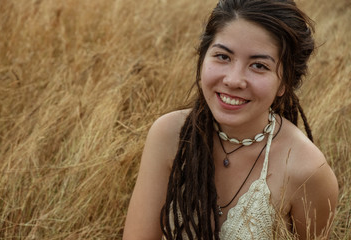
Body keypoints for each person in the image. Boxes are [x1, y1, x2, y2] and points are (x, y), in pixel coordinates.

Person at [123, 0, 339, 239]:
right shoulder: (168, 134)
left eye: (258, 65)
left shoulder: (307, 170)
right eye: (223, 56)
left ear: (285, 83)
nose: (234, 80)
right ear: (203, 57)